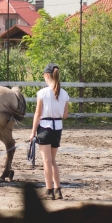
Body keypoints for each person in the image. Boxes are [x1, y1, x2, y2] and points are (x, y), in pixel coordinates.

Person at [28, 63, 70, 200]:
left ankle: (49, 190)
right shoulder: (64, 94)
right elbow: (65, 115)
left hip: (45, 127)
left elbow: (37, 114)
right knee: (52, 161)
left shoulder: (42, 93)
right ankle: (58, 190)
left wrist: (33, 132)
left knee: (46, 161)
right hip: (57, 128)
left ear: (47, 75)